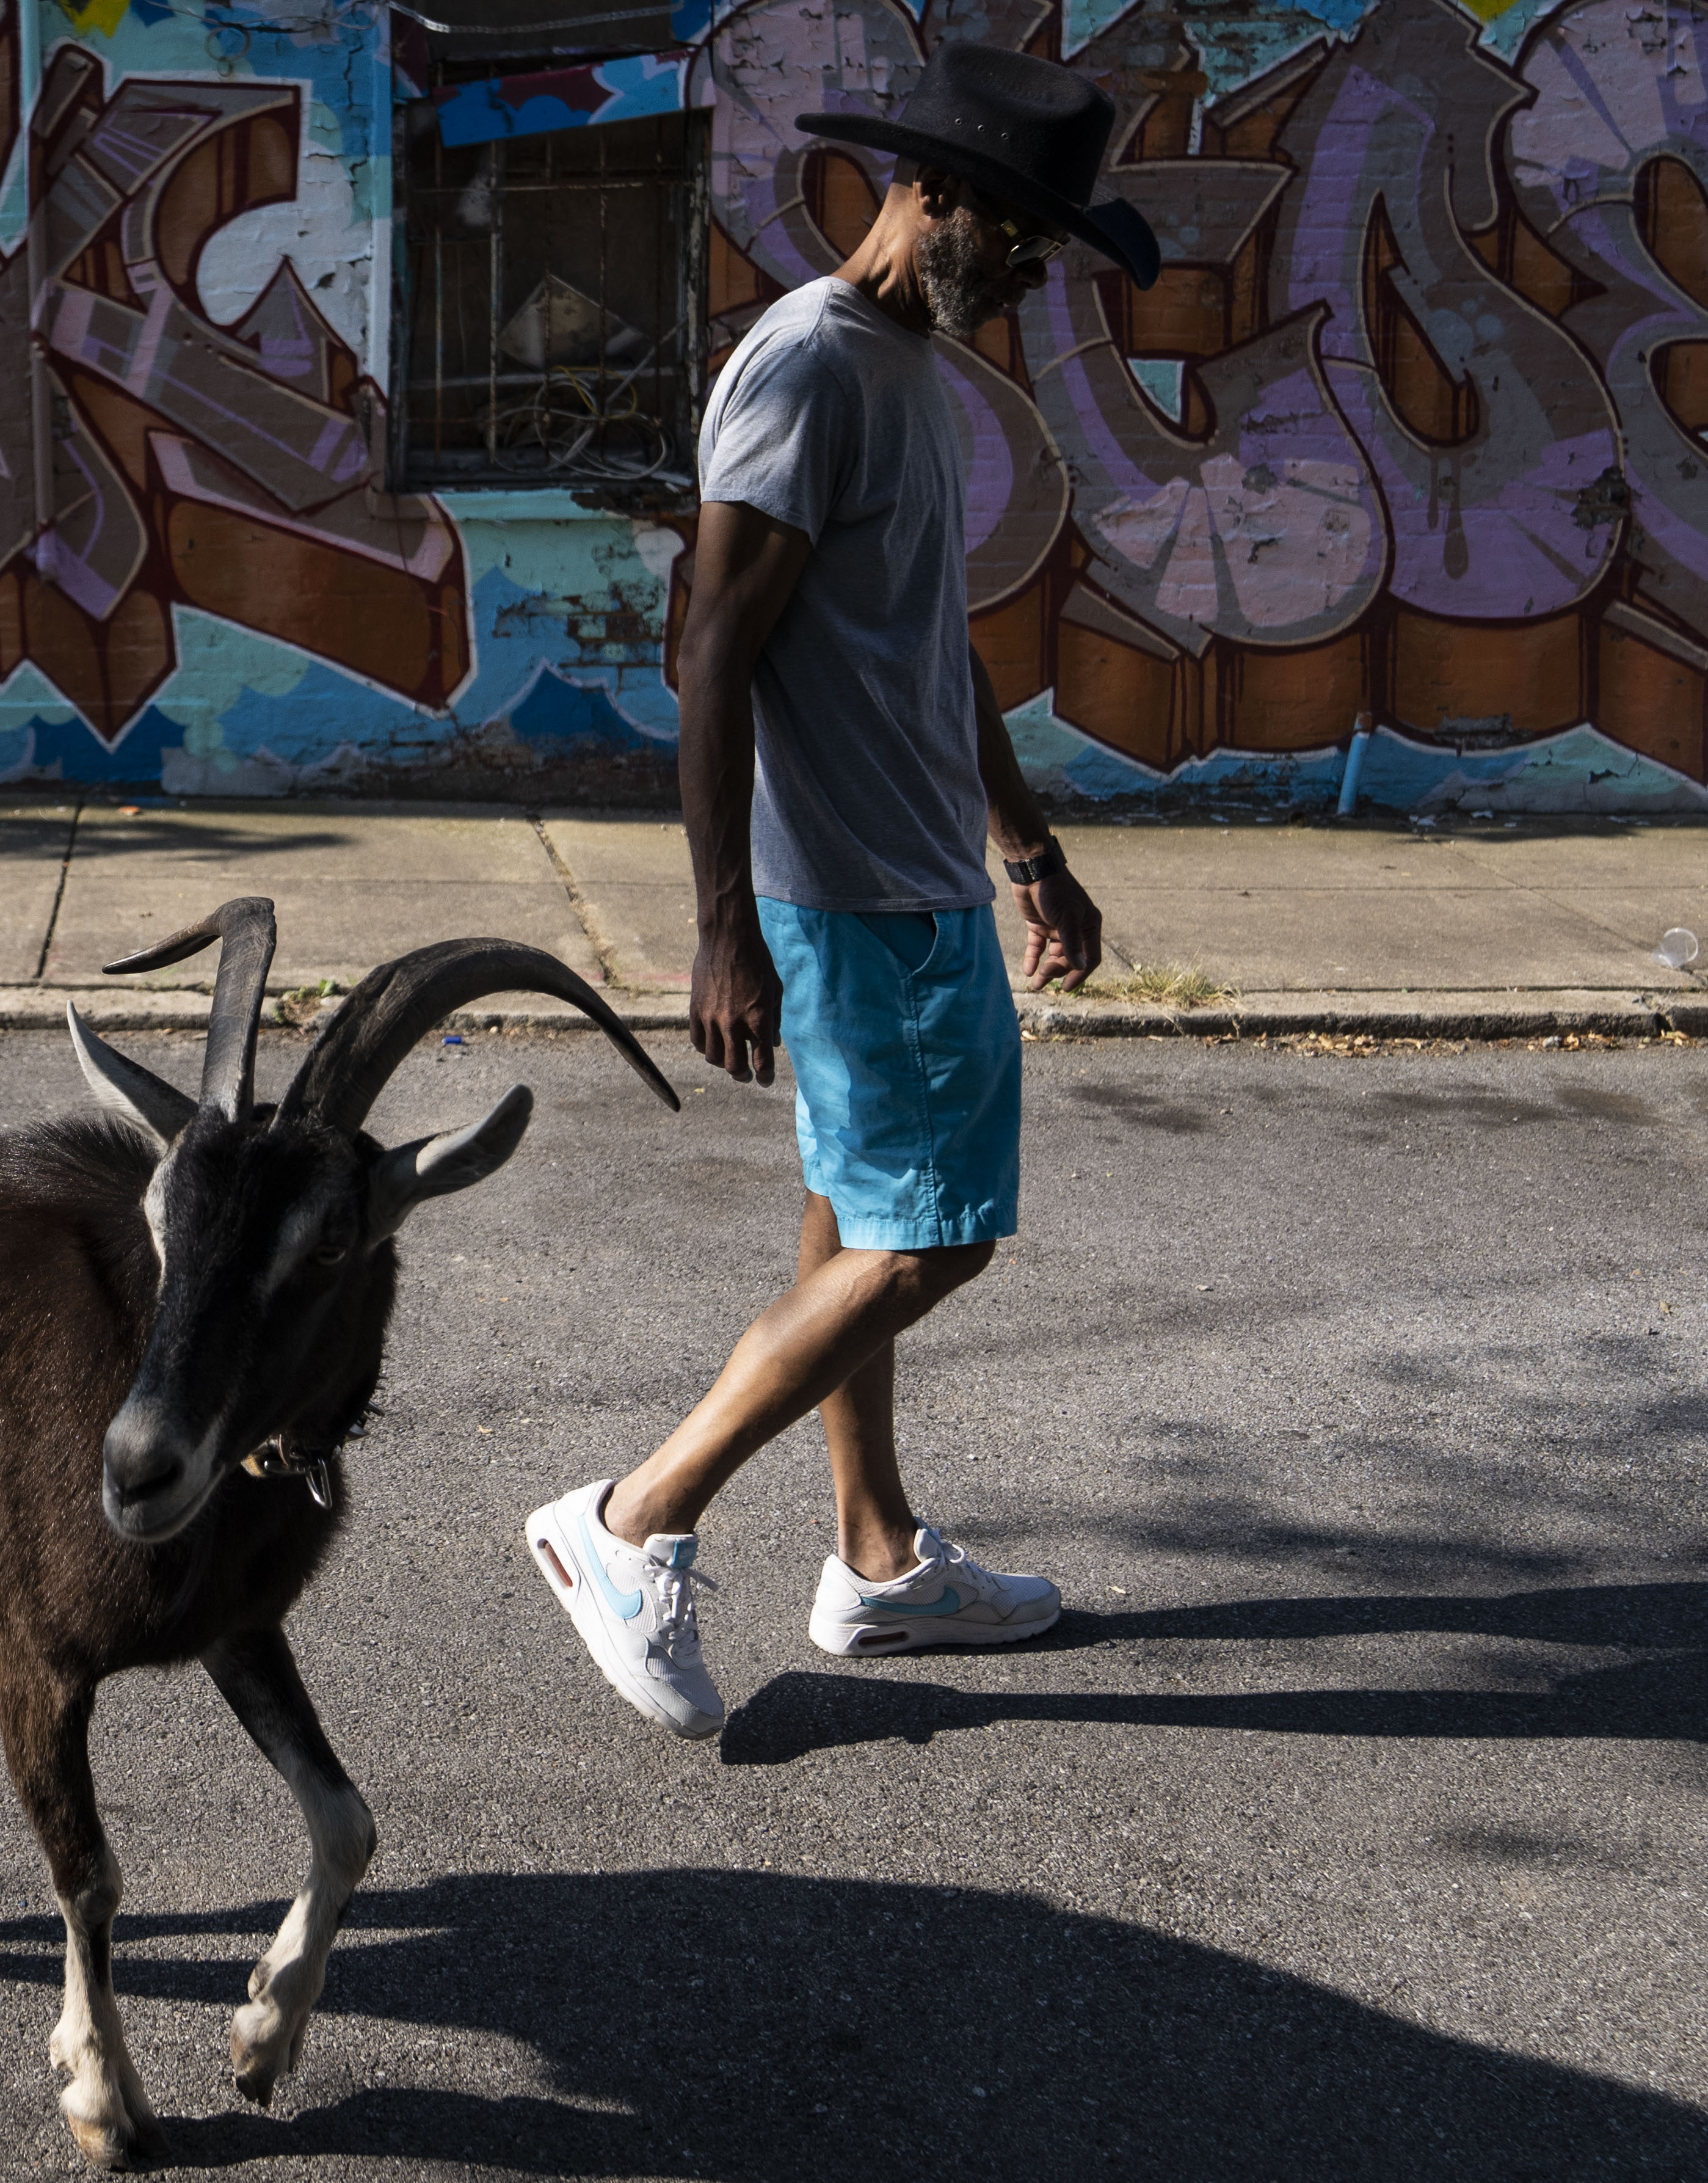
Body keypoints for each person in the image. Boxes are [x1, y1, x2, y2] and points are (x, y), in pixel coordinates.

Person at [526, 44, 1163, 1740]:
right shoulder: (809, 366)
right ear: (931, 195)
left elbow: (926, 642)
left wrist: (1027, 843)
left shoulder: (909, 373)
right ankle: (629, 1519)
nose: (1034, 268)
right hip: (851, 897)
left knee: (852, 1218)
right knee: (925, 1238)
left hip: (919, 874)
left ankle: (876, 1560)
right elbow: (717, 648)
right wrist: (721, 921)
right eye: (1021, 232)